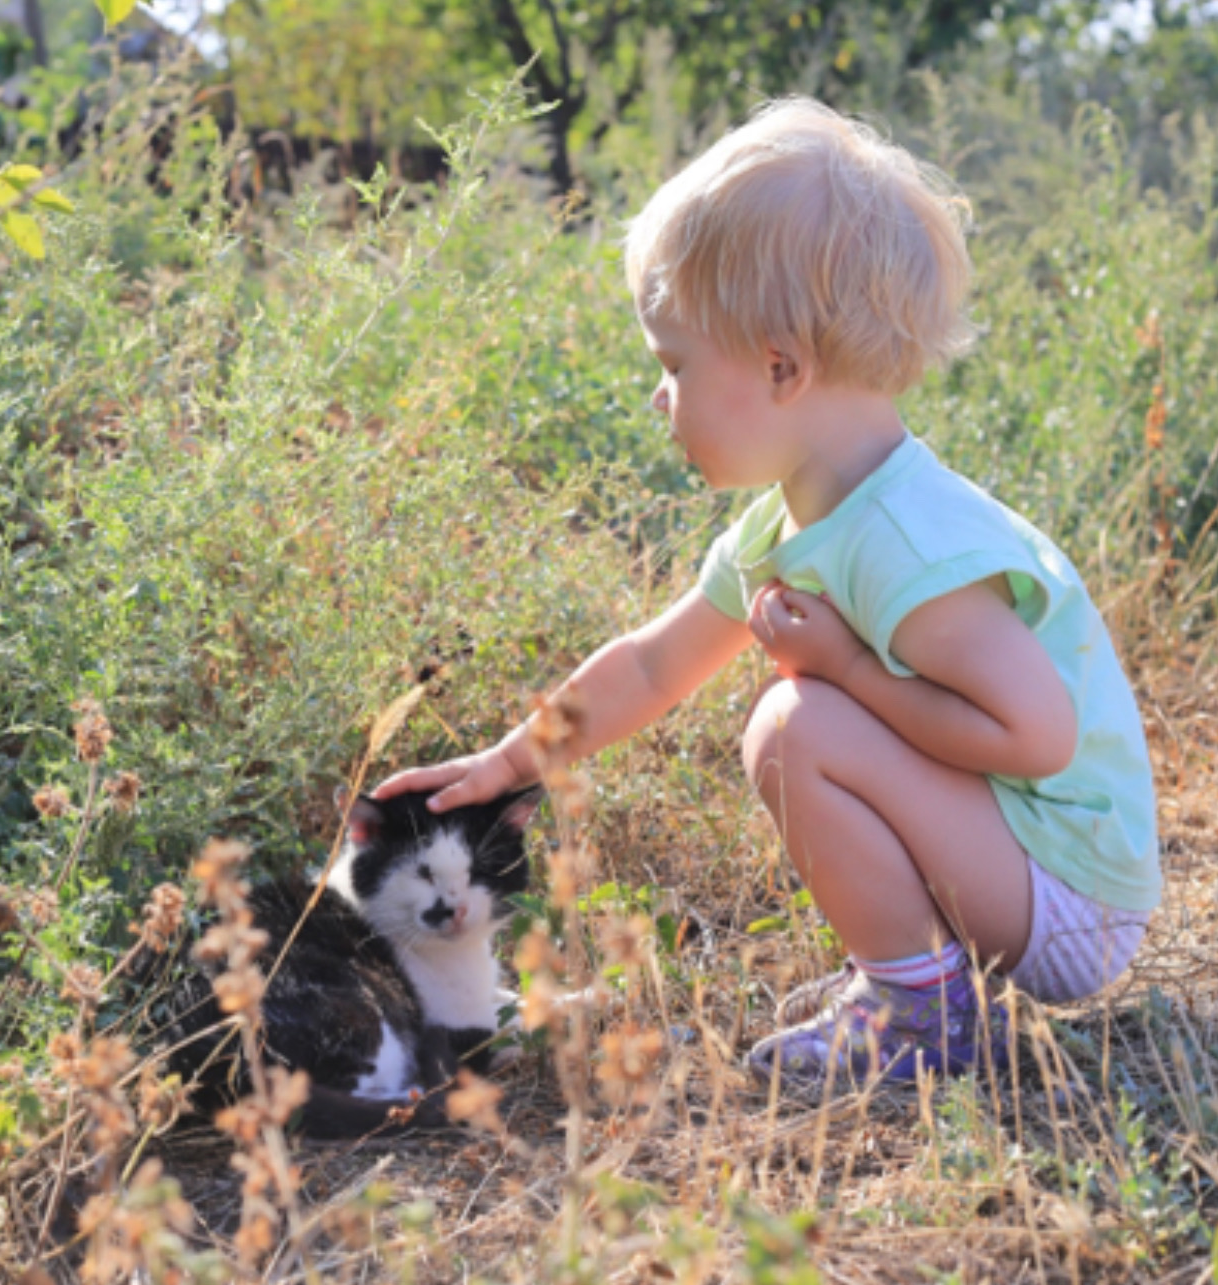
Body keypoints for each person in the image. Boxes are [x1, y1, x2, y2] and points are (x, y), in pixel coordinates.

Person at [374, 98, 1160, 1089]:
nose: (657, 396)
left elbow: (1035, 736)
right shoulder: (792, 521)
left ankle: (923, 1016)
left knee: (797, 725)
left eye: (673, 364)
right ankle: (918, 976)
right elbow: (655, 662)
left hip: (1069, 897)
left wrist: (843, 670)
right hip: (1021, 866)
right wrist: (506, 760)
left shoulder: (903, 540)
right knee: (807, 716)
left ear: (780, 367)